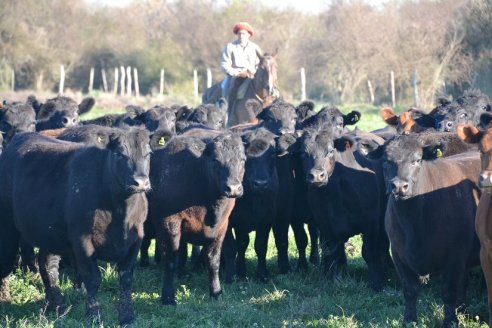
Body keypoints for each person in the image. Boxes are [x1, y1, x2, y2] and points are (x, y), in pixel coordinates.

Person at [220, 22, 262, 110]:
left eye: (243, 34)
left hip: (251, 76)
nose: (241, 36)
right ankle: (227, 112)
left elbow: (260, 64)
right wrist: (237, 73)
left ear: (248, 35)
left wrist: (254, 72)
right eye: (239, 33)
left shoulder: (255, 48)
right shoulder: (230, 47)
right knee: (226, 89)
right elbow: (224, 64)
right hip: (234, 76)